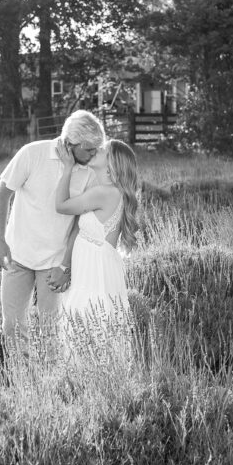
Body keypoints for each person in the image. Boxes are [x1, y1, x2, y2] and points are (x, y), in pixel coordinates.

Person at [0, 110, 106, 351]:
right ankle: (22, 380)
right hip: (17, 256)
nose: (94, 154)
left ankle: (50, 384)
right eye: (89, 149)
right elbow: (2, 194)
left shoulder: (90, 172)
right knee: (12, 326)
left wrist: (66, 265)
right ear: (69, 143)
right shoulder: (32, 153)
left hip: (54, 263)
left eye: (97, 149)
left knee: (51, 331)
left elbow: (80, 222)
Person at [48, 138, 138, 339]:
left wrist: (68, 167)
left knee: (87, 323)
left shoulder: (104, 193)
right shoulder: (111, 192)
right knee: (94, 324)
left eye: (102, 150)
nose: (96, 150)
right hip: (95, 265)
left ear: (111, 164)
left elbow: (61, 206)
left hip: (94, 269)